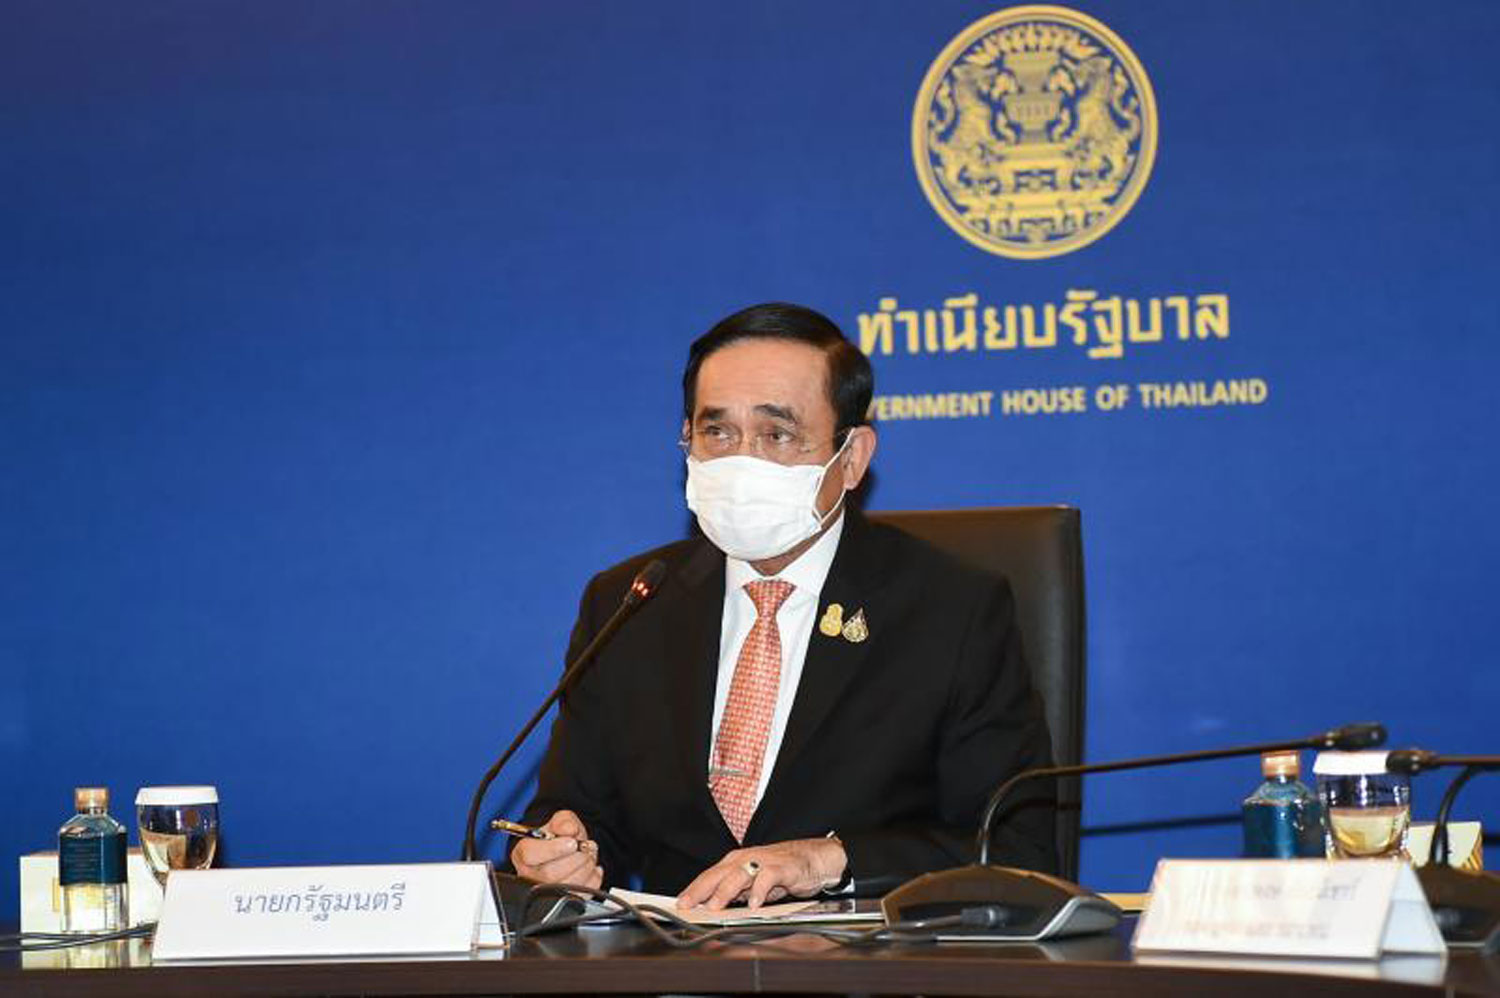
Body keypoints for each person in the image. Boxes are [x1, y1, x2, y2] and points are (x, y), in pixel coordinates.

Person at [512, 302, 1055, 910]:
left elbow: (1016, 848)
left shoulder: (951, 609)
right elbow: (579, 818)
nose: (742, 460)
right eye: (717, 432)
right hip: (673, 975)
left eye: (777, 435)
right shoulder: (631, 602)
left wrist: (828, 860)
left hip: (869, 975)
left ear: (850, 459)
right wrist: (560, 850)